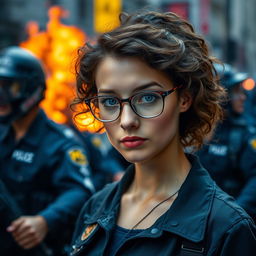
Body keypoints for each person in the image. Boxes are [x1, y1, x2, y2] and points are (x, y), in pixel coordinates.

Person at [70, 11, 256, 256]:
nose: (127, 121)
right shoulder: (94, 208)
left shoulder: (225, 228)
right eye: (109, 101)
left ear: (184, 98)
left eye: (148, 98)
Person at [0, 46, 94, 256]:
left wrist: (44, 221)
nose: (1, 96)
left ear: (31, 89)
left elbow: (80, 191)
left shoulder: (61, 143)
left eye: (9, 86)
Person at [197, 63, 256, 221]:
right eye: (237, 92)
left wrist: (235, 215)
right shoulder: (196, 131)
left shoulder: (244, 134)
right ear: (222, 96)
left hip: (230, 221)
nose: (243, 97)